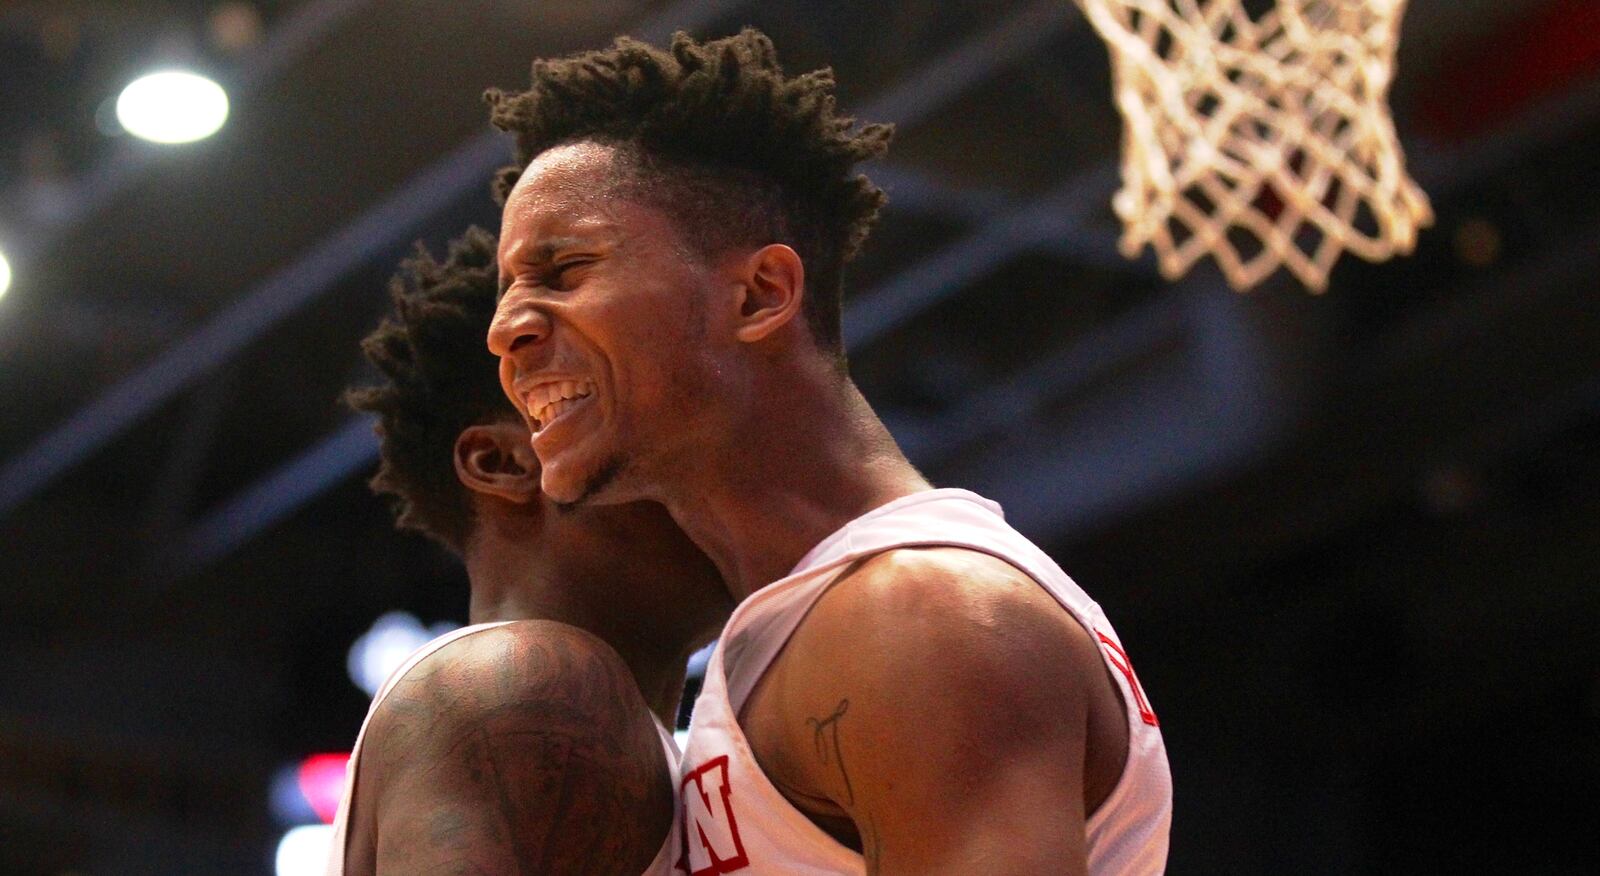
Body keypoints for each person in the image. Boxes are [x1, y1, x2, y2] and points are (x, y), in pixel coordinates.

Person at [485, 30, 1172, 875]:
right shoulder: (813, 624)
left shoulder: (920, 618)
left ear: (761, 295)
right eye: (509, 289)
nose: (505, 330)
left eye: (561, 269)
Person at [328, 227, 731, 875]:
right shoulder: (522, 686)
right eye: (667, 419)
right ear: (505, 462)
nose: (716, 460)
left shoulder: (615, 728)